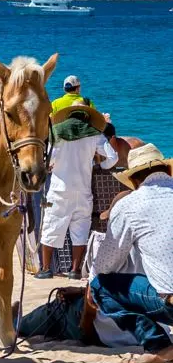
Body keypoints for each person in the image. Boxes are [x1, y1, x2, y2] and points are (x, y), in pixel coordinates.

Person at [89, 144, 173, 363]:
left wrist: (90, 286)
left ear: (134, 181)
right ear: (168, 171)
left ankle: (159, 346)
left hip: (169, 302)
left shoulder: (131, 204)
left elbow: (106, 264)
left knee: (101, 285)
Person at [36, 103, 118, 280]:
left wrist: (51, 167)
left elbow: (50, 159)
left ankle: (45, 269)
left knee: (50, 227)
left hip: (59, 190)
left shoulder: (57, 131)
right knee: (80, 231)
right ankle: (74, 270)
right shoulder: (94, 133)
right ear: (86, 116)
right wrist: (98, 165)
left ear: (68, 115)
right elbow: (113, 158)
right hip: (83, 190)